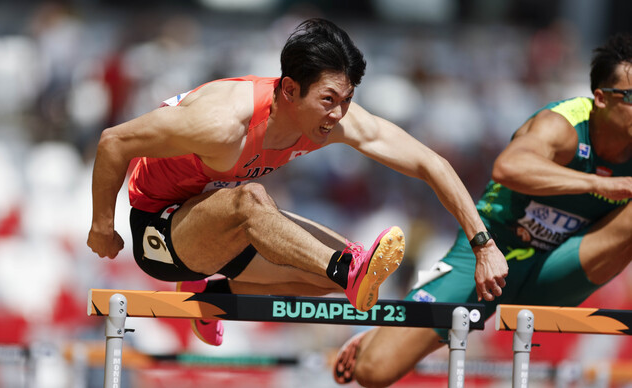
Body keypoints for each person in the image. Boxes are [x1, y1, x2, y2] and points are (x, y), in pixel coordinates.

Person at [87, 18, 507, 347]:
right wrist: (102, 227)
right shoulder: (219, 123)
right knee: (252, 201)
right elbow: (113, 142)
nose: (339, 115)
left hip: (217, 224)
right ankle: (347, 266)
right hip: (158, 229)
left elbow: (429, 163)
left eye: (347, 101)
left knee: (337, 278)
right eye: (328, 101)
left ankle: (212, 294)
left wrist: (483, 244)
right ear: (289, 89)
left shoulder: (332, 117)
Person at [333, 32, 632, 387]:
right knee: (372, 372)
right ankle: (374, 338)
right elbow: (509, 168)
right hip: (489, 257)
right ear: (601, 98)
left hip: (561, 267)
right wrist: (601, 184)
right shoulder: (564, 126)